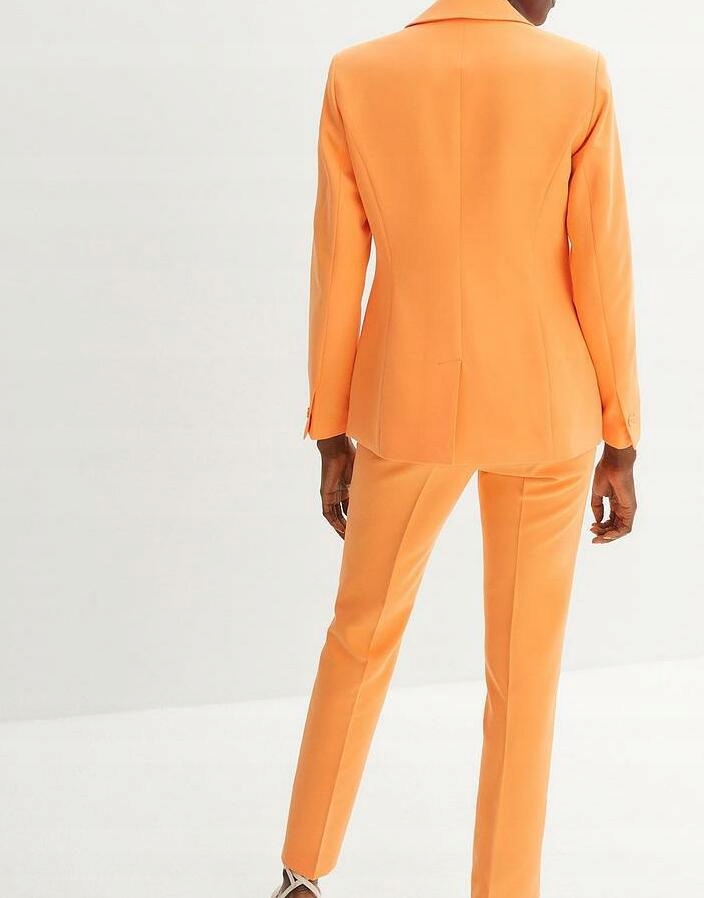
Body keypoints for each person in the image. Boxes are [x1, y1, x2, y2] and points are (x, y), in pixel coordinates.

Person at [272, 0, 640, 895]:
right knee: (524, 671)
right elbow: (602, 262)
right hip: (546, 407)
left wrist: (329, 427)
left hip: (406, 403)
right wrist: (621, 436)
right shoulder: (576, 73)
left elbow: (338, 263)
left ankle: (300, 873)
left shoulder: (358, 74)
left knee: (359, 635)